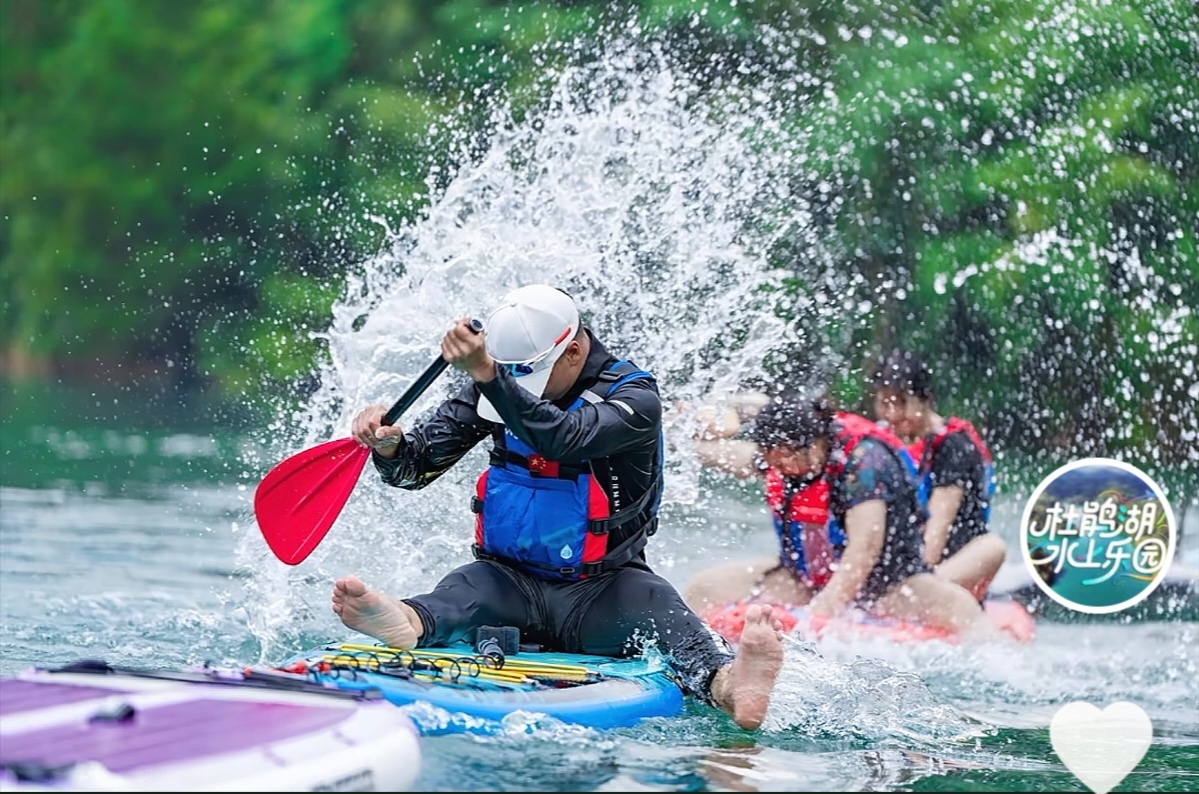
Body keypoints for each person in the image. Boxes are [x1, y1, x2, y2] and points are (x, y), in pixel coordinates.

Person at [331, 283, 784, 730]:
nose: (523, 391)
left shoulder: (634, 399)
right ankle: (406, 621)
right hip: (506, 584)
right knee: (461, 589)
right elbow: (416, 470)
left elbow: (564, 438)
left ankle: (731, 683)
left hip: (603, 591)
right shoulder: (493, 385)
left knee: (661, 608)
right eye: (510, 379)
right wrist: (390, 448)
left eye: (526, 379)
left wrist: (489, 375)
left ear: (573, 352)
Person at [686, 392, 991, 636]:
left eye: (790, 459)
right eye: (773, 460)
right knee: (704, 587)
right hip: (804, 580)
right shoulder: (783, 453)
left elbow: (864, 552)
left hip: (889, 587)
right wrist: (695, 430)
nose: (785, 468)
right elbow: (724, 456)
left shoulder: (864, 462)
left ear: (816, 443)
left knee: (959, 609)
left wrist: (818, 617)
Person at [870, 349, 1007, 601]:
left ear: (925, 399)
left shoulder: (953, 446)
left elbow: (937, 530)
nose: (891, 414)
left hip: (948, 567)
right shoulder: (877, 445)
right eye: (884, 403)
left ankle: (910, 596)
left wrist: (918, 577)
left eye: (901, 402)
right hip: (900, 570)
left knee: (992, 547)